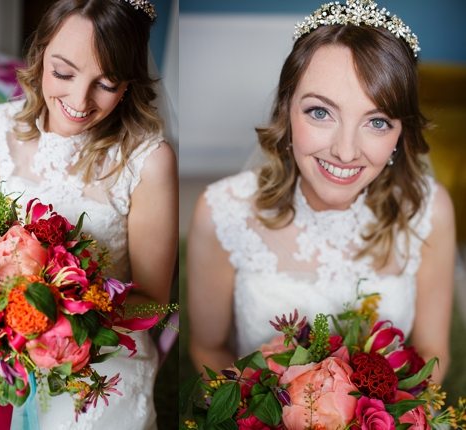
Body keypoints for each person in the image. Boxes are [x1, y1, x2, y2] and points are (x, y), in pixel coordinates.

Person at [0, 0, 178, 428]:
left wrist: (63, 320)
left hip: (93, 349)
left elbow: (152, 300)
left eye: (106, 83)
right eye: (63, 73)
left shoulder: (148, 162)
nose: (79, 100)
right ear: (40, 55)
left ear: (128, 84)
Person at [187, 0, 456, 383]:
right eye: (320, 112)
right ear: (286, 109)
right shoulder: (221, 212)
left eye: (377, 122)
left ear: (401, 132)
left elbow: (432, 352)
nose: (345, 152)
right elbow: (209, 348)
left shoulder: (429, 211)